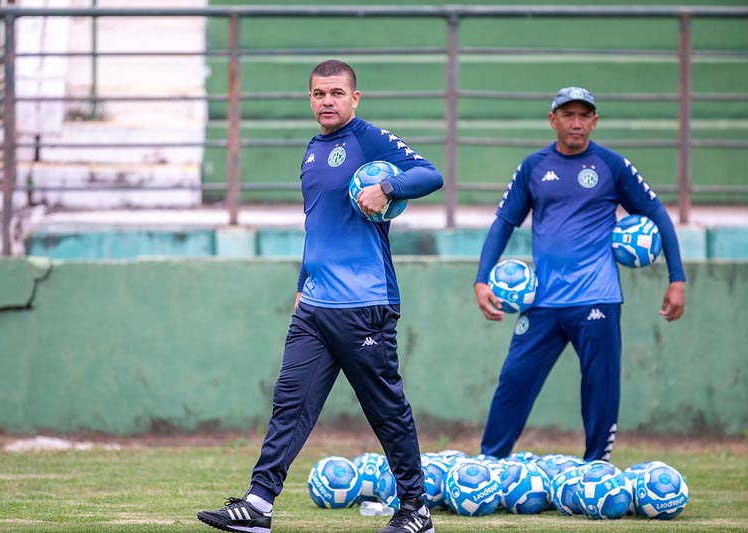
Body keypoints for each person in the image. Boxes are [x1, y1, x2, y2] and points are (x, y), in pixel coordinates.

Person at [197, 60, 442, 533]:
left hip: (365, 305)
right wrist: (300, 287)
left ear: (355, 98)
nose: (326, 101)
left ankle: (416, 510)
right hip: (314, 306)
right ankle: (259, 505)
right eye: (317, 94)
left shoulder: (368, 139)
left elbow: (430, 175)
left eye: (336, 93)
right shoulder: (313, 151)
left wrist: (387, 187)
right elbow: (318, 228)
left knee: (385, 410)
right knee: (290, 403)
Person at [474, 87, 686, 462]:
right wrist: (481, 278)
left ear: (594, 121)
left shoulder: (612, 165)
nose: (576, 123)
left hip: (597, 298)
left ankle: (596, 466)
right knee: (515, 380)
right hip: (543, 300)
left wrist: (677, 279)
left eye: (584, 115)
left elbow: (658, 215)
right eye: (568, 115)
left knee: (600, 386)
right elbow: (504, 222)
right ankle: (490, 463)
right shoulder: (534, 166)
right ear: (552, 120)